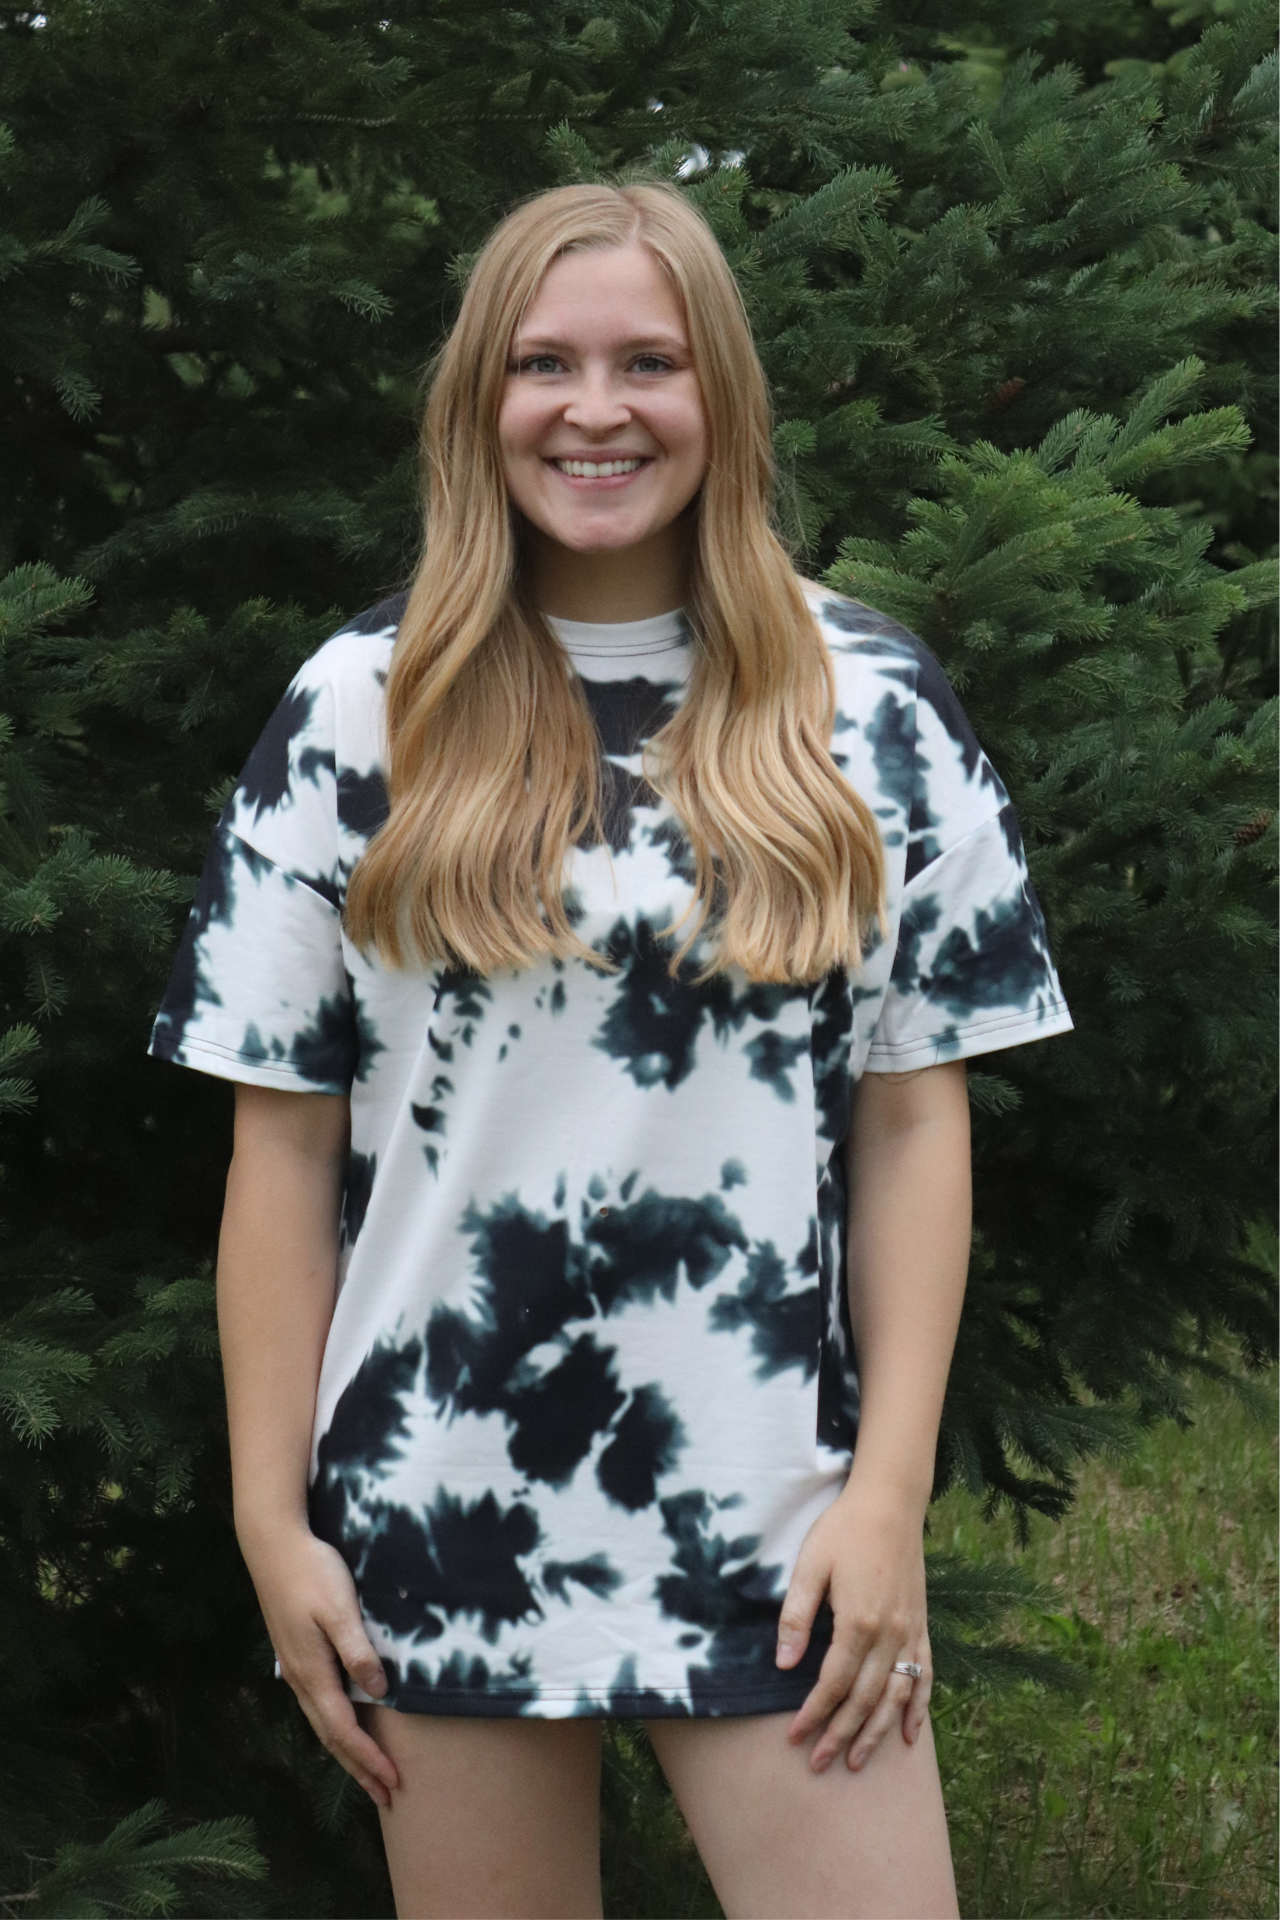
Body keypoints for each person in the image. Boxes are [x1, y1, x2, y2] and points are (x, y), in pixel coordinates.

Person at [149, 180, 1073, 1920]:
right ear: (478, 401)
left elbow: (910, 1126)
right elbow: (281, 1149)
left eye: (649, 361)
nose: (595, 410)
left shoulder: (871, 703)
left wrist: (887, 1502)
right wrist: (277, 1523)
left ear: (721, 390)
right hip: (438, 1502)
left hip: (781, 1519)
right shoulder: (360, 706)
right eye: (544, 364)